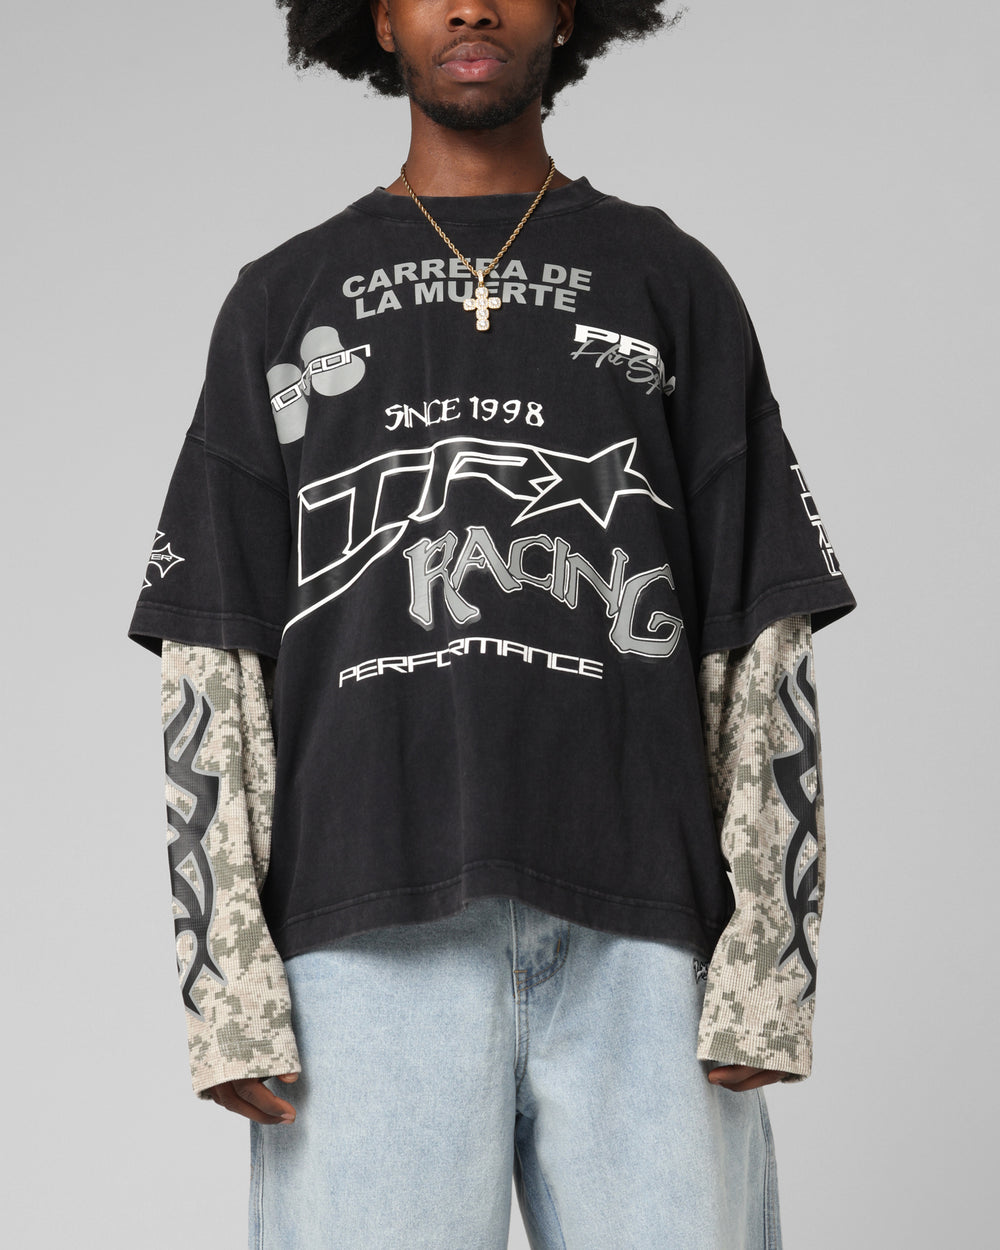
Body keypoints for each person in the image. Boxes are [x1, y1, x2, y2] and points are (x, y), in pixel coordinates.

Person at [128, 2, 857, 1246]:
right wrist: (225, 981)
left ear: (567, 11)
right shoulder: (281, 300)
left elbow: (758, 626)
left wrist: (769, 963)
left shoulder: (668, 279)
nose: (471, 5)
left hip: (647, 936)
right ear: (378, 16)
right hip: (359, 935)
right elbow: (215, 650)